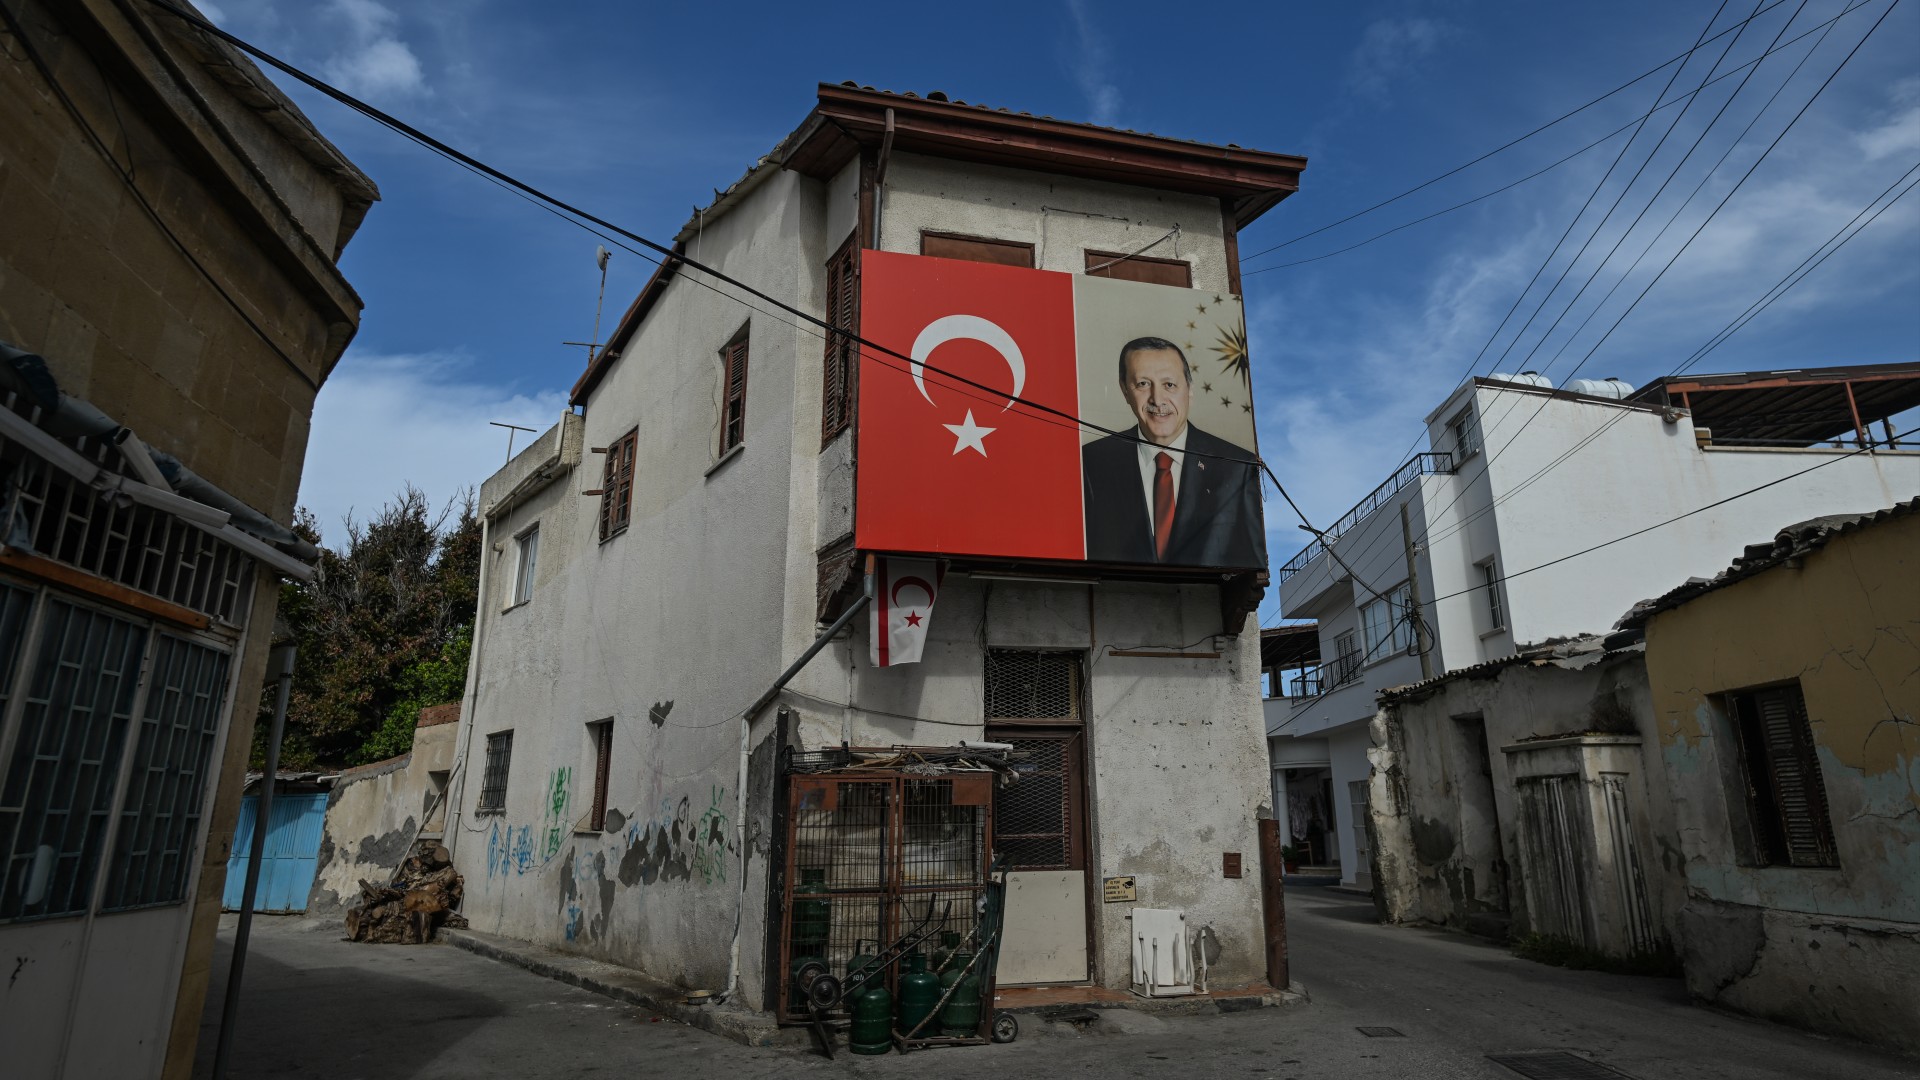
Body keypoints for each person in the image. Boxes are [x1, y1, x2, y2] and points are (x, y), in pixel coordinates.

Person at [1081, 337, 1264, 567]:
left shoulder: (1236, 466)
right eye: (1143, 384)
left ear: (1189, 390)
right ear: (1125, 391)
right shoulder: (1091, 463)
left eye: (1169, 385)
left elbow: (1252, 568)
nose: (1157, 400)